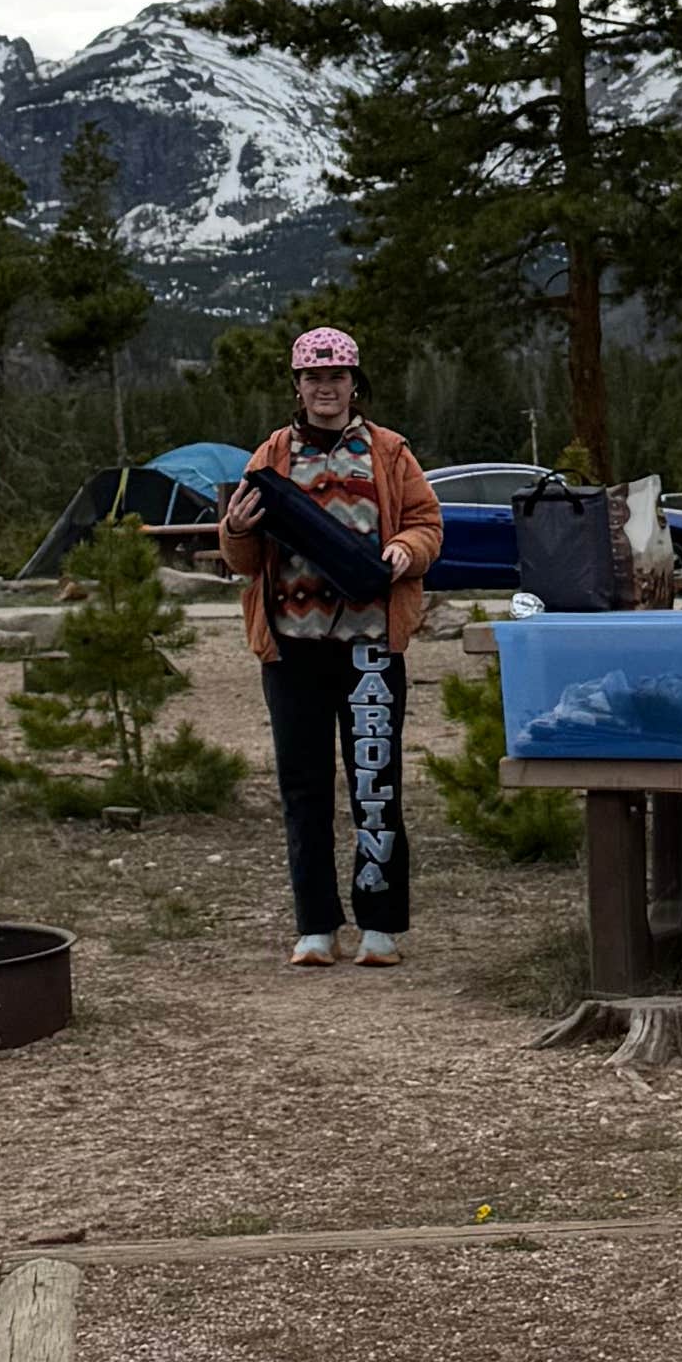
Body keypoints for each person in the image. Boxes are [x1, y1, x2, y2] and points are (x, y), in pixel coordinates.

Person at [216, 324, 443, 965]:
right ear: (298, 385)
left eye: (336, 376)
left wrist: (406, 549)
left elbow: (428, 523)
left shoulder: (391, 452)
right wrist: (233, 527)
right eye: (313, 377)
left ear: (353, 382)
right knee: (304, 787)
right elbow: (242, 556)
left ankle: (381, 925)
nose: (325, 387)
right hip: (293, 648)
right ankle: (315, 925)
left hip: (371, 646)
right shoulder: (269, 458)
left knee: (377, 783)